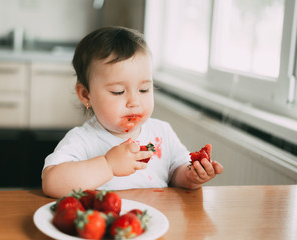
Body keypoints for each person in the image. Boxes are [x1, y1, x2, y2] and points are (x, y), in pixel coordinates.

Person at [42, 26, 224, 198]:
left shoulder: (162, 133)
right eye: (118, 92)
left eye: (144, 89)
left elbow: (176, 172)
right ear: (86, 95)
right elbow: (51, 183)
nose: (134, 102)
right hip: (106, 225)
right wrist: (108, 165)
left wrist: (192, 176)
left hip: (152, 225)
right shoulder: (82, 140)